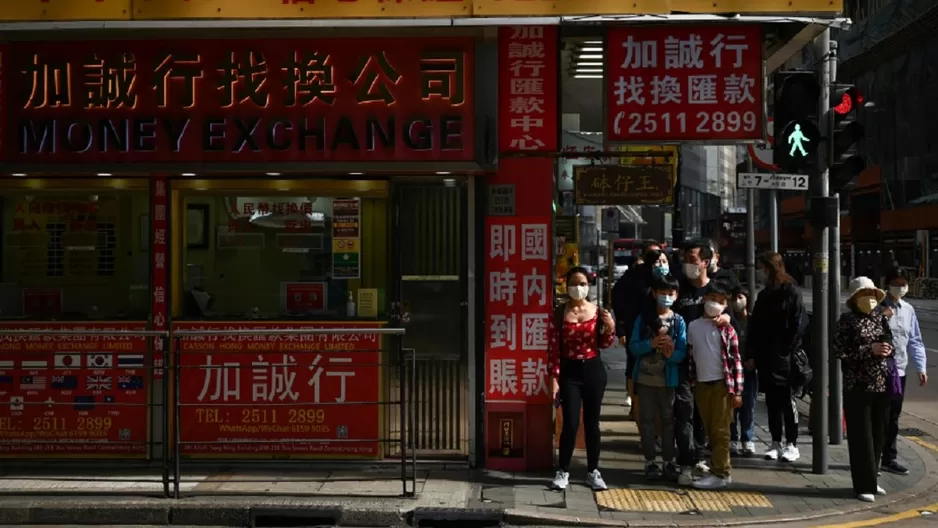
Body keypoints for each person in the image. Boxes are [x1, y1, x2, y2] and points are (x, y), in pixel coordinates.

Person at [673, 240, 737, 485]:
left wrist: (728, 316)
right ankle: (686, 461)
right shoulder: (678, 289)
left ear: (706, 262)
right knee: (684, 414)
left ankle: (706, 460)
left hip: (712, 372)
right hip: (684, 365)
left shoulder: (715, 294)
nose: (689, 264)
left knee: (709, 422)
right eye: (686, 259)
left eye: (693, 259)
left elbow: (736, 330)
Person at [548, 266, 617, 491]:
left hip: (593, 371)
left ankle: (593, 471)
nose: (578, 288)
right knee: (569, 423)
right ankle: (563, 470)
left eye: (583, 284)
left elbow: (605, 343)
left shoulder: (598, 312)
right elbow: (554, 349)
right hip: (569, 372)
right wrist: (554, 378)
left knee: (592, 423)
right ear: (566, 286)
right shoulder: (559, 313)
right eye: (574, 283)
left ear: (589, 286)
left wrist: (610, 327)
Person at [833, 277, 893, 502]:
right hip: (857, 385)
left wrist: (887, 348)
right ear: (854, 298)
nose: (869, 299)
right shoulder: (847, 321)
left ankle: (872, 481)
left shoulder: (879, 317)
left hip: (881, 382)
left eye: (871, 294)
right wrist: (869, 349)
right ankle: (862, 485)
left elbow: (889, 339)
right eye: (863, 294)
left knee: (878, 433)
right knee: (861, 436)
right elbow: (839, 351)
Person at [747, 251, 806, 463]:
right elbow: (755, 327)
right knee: (771, 400)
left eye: (763, 267)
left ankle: (792, 443)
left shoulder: (790, 291)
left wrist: (787, 349)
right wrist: (752, 354)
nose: (760, 272)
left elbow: (799, 324)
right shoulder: (764, 295)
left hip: (785, 357)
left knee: (786, 399)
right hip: (766, 356)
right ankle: (775, 441)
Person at [685, 280, 744, 489]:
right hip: (701, 384)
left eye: (720, 301)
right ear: (704, 300)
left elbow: (736, 361)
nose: (715, 304)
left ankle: (722, 473)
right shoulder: (693, 326)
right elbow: (691, 356)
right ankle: (716, 467)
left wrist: (737, 391)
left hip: (722, 385)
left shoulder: (727, 329)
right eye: (712, 299)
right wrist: (693, 383)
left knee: (721, 430)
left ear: (726, 305)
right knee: (710, 429)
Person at [629, 274, 687, 480]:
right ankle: (650, 461)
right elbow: (633, 347)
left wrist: (671, 354)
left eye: (670, 293)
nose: (666, 297)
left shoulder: (678, 321)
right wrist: (650, 345)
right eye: (662, 293)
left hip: (667, 380)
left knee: (668, 420)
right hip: (645, 380)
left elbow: (682, 351)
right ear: (654, 294)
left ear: (676, 295)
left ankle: (669, 461)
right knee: (646, 421)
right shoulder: (643, 319)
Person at [880, 267, 928, 475]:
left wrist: (921, 367)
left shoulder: (908, 310)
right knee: (878, 415)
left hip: (899, 371)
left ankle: (889, 458)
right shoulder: (877, 307)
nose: (900, 288)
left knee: (893, 417)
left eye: (903, 284)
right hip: (878, 371)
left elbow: (915, 340)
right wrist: (882, 316)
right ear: (887, 284)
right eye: (896, 284)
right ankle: (872, 458)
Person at [612, 241, 663, 412]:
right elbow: (620, 303)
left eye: (660, 258)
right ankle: (636, 405)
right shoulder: (633, 277)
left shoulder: (668, 279)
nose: (656, 262)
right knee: (635, 366)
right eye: (652, 256)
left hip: (662, 332)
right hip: (638, 330)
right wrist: (621, 330)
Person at [729, 289, 758, 457]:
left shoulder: (752, 320)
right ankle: (733, 438)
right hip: (732, 369)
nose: (737, 301)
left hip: (748, 369)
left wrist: (753, 359)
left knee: (748, 405)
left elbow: (758, 341)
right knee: (732, 406)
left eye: (740, 297)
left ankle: (747, 439)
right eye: (734, 298)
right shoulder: (729, 321)